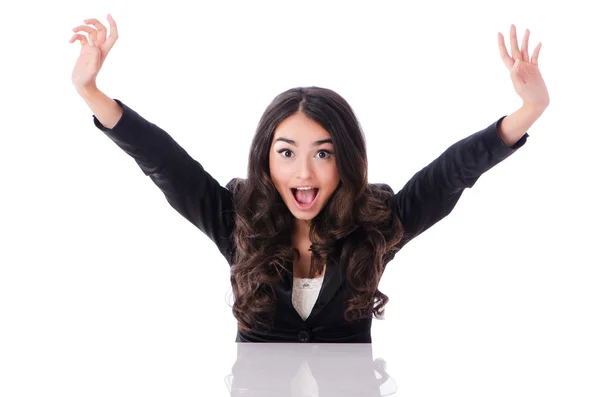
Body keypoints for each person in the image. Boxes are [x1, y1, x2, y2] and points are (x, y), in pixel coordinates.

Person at [69, 15, 549, 343]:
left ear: (347, 162)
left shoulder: (378, 225)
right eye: (287, 153)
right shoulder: (236, 221)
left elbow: (451, 174)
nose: (304, 171)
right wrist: (90, 91)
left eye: (324, 153)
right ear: (267, 161)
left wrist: (530, 110)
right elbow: (165, 164)